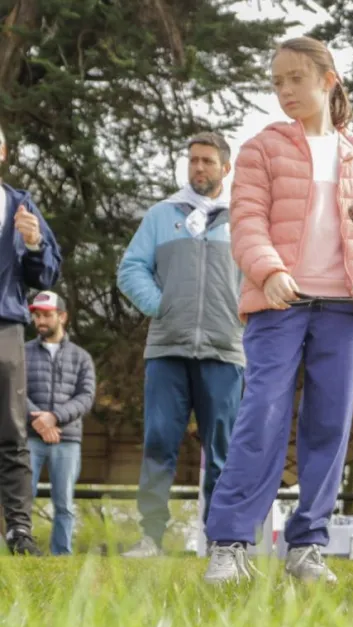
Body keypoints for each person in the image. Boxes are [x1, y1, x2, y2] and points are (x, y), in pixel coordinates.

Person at [202, 36, 353, 584]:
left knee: (329, 425)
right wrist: (270, 272)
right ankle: (230, 543)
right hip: (277, 304)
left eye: (296, 79)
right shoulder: (263, 148)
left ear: (327, 79)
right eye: (277, 82)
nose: (285, 90)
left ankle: (308, 545)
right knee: (260, 416)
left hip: (346, 307)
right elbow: (247, 223)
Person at [117, 132, 245, 557]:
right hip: (167, 350)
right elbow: (131, 268)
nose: (198, 168)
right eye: (192, 160)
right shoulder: (161, 215)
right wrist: (161, 305)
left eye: (207, 161)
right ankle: (151, 537)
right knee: (158, 443)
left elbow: (260, 277)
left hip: (225, 351)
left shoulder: (244, 219)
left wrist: (241, 320)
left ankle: (220, 541)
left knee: (222, 451)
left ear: (226, 168)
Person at [0, 123, 62, 555]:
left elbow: (46, 276)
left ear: (3, 152)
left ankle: (19, 532)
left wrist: (36, 243)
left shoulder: (21, 206)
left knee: (11, 432)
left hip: (4, 328)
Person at [25, 291, 96, 555]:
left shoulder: (81, 357)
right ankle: (17, 552)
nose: (40, 321)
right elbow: (15, 391)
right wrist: (40, 423)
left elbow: (86, 397)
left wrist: (53, 417)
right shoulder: (22, 353)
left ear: (62, 316)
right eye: (37, 315)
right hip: (29, 438)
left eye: (46, 315)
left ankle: (61, 556)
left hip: (67, 440)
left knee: (64, 503)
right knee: (20, 500)